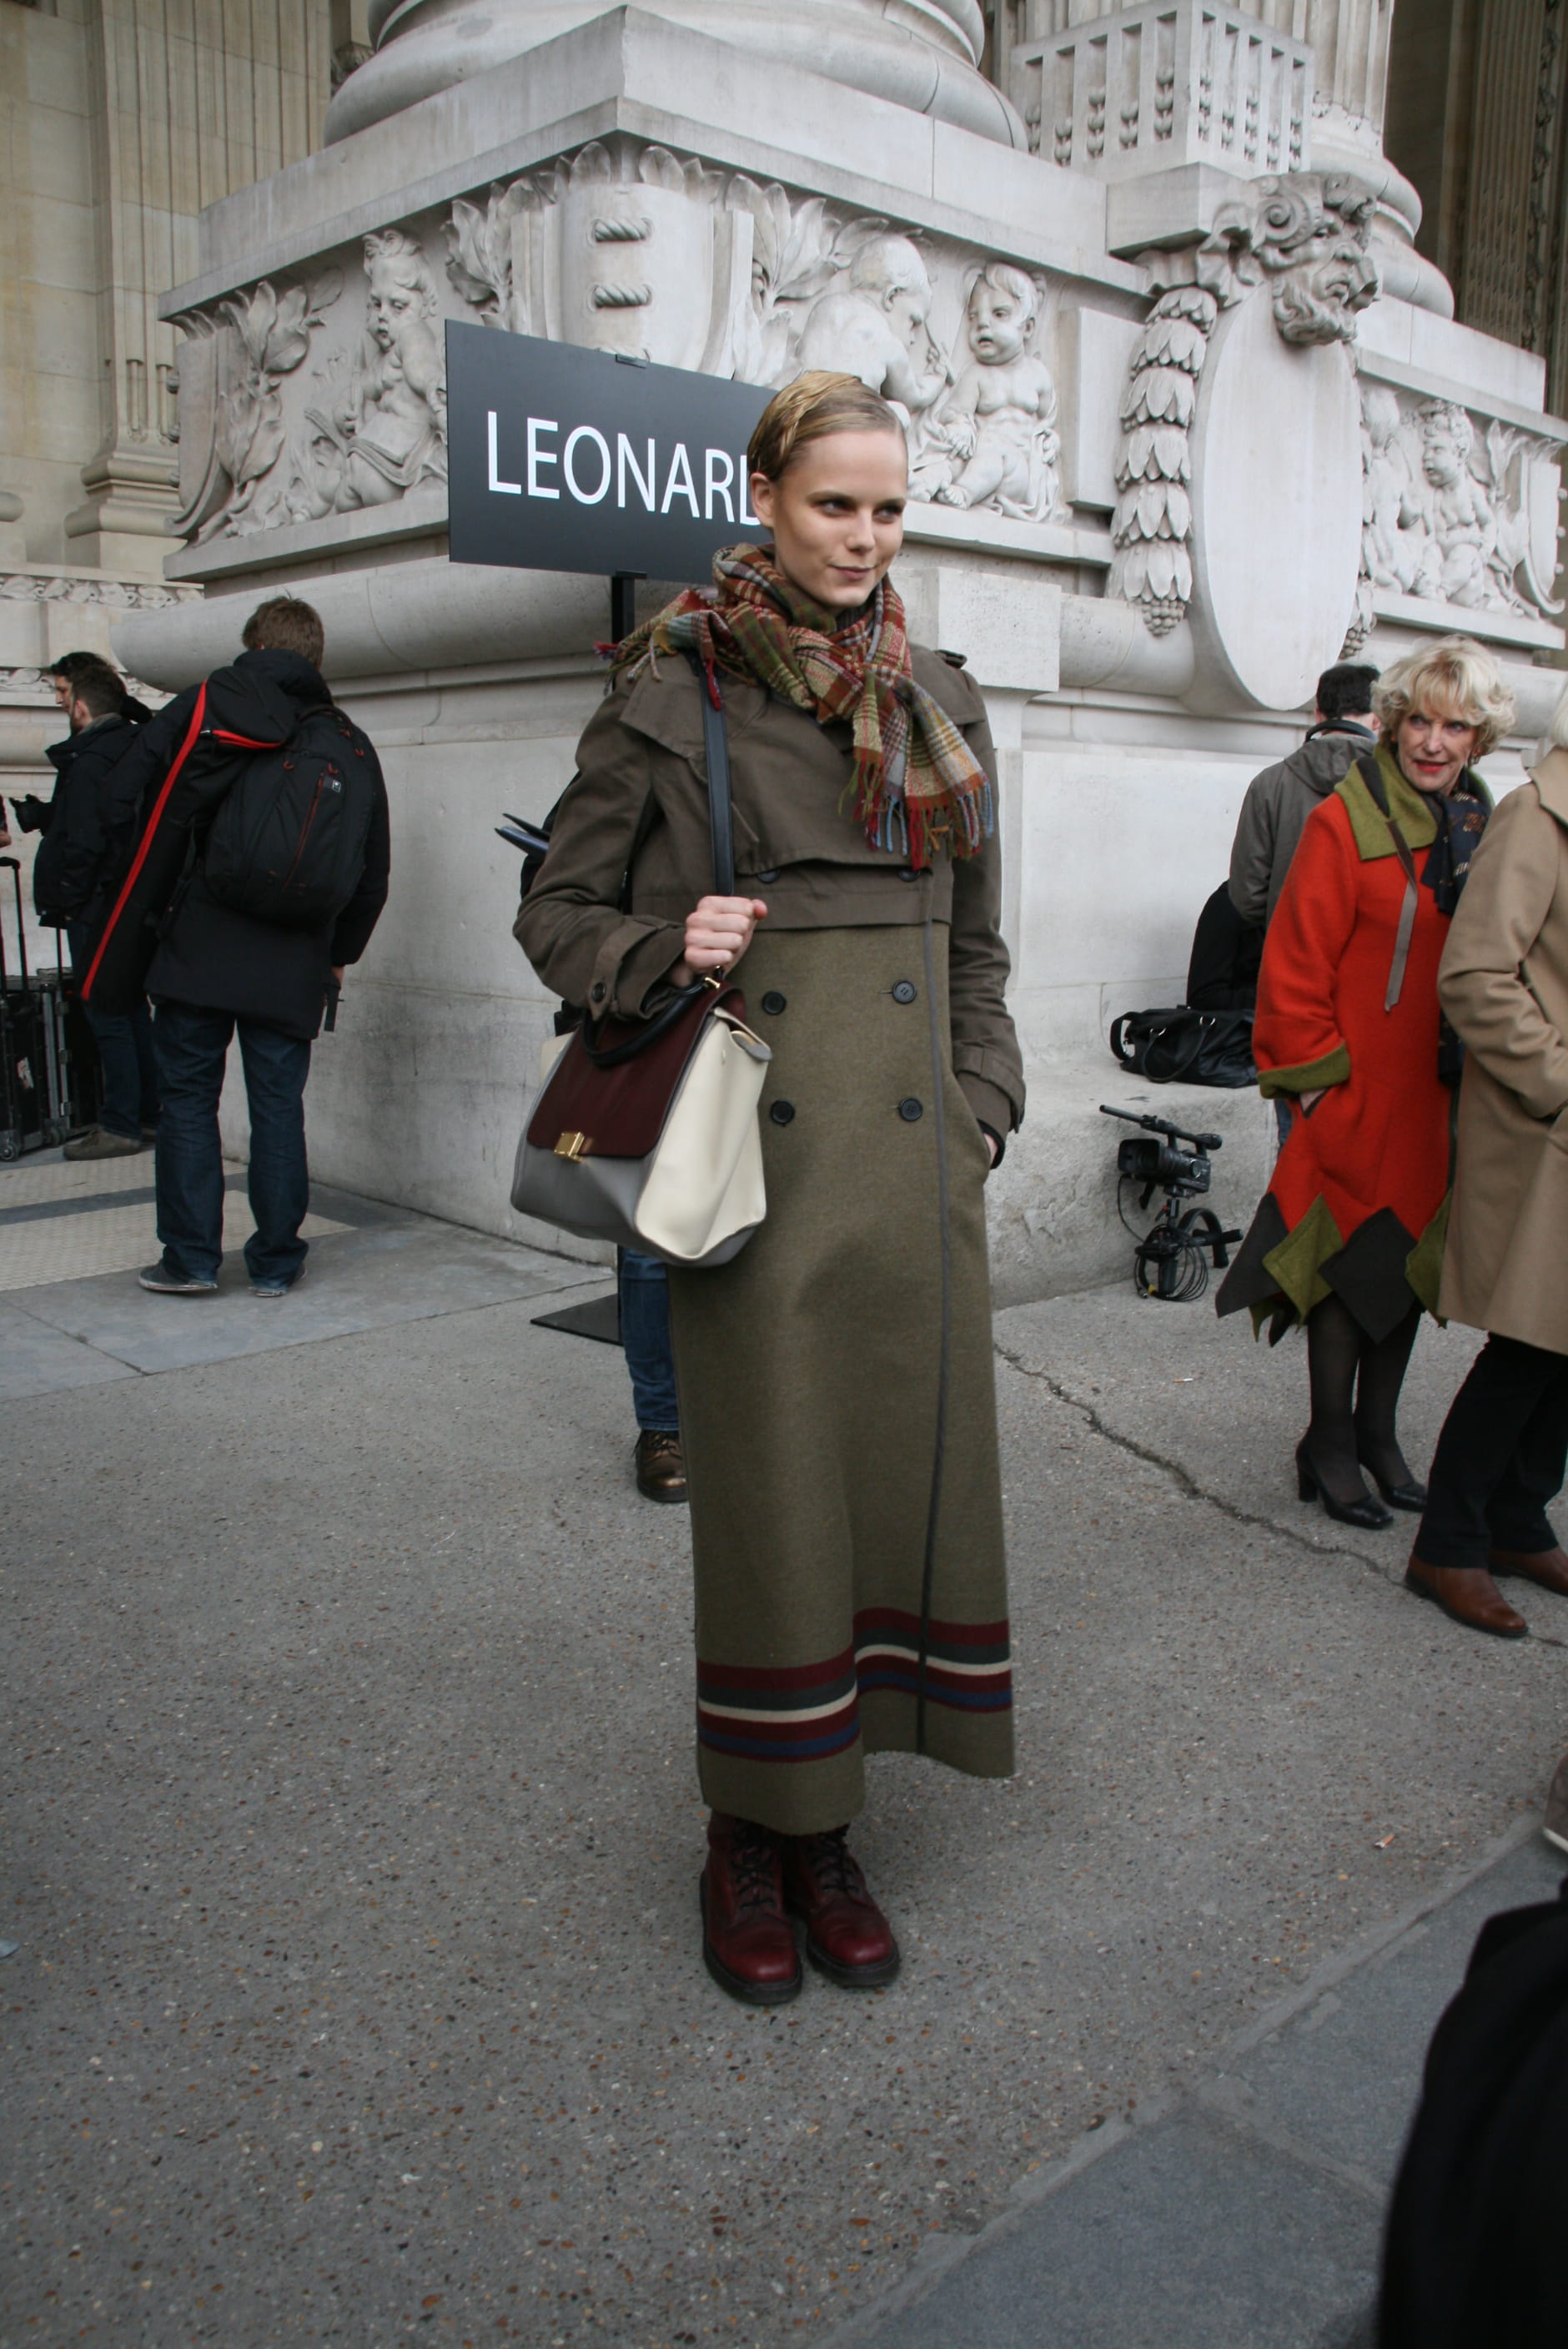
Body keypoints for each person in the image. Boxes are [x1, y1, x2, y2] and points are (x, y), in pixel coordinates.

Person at [518, 371, 1023, 2006]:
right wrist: (670, 943)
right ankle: (753, 1831)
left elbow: (978, 944)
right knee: (773, 1511)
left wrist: (981, 1105)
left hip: (913, 1174)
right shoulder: (676, 686)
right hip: (760, 1167)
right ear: (763, 498)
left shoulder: (940, 697)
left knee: (889, 1498)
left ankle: (832, 1825)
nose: (863, 537)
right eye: (832, 505)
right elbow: (557, 909)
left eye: (888, 508)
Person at [1216, 636, 1513, 1531]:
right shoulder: (1343, 819)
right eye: (1417, 720)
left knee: (1407, 1262)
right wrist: (1314, 1088)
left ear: (1479, 736)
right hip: (1353, 1084)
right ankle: (1331, 1443)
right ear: (1390, 722)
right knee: (1342, 1263)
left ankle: (1379, 1438)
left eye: (1453, 726)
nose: (1432, 741)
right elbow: (1293, 961)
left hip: (1439, 1093)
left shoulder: (1484, 826)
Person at [105, 596, 389, 1298]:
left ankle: (191, 1260)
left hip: (200, 946)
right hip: (294, 960)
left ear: (254, 646)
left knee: (187, 1101)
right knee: (277, 1109)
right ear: (316, 657)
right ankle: (276, 1263)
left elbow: (150, 805)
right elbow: (371, 875)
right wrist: (338, 957)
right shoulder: (351, 743)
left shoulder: (221, 712)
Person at [1400, 684, 1568, 1637]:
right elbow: (1471, 975)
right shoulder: (1536, 815)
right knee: (1530, 1340)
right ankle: (1447, 1542)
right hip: (1543, 1127)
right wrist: (1557, 1081)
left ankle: (1516, 1517)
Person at [18, 656, 159, 1159]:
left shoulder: (92, 758)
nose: (58, 702)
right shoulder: (130, 745)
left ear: (81, 703)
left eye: (61, 692)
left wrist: (72, 899)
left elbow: (87, 838)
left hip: (97, 907)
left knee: (108, 1012)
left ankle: (120, 1124)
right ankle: (148, 1116)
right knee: (131, 1009)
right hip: (126, 902)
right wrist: (47, 816)